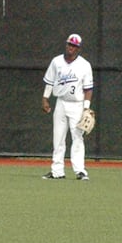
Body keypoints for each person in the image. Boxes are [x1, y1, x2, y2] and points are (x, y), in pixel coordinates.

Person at [41, 32, 94, 180]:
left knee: (77, 137)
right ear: (66, 45)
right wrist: (45, 98)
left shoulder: (84, 65)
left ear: (79, 48)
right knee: (58, 138)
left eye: (74, 46)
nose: (71, 47)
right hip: (61, 103)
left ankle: (80, 171)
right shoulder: (56, 61)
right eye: (70, 44)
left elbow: (88, 89)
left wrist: (86, 107)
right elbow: (50, 82)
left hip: (77, 105)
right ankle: (57, 171)